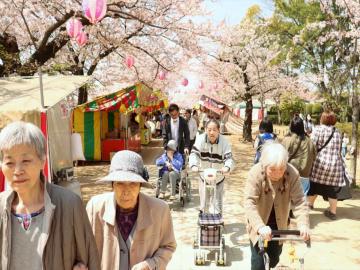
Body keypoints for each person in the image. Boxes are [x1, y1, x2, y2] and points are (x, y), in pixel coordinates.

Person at [0, 121, 100, 270]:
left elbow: (89, 259)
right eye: (10, 163)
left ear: (42, 161)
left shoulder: (70, 205)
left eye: (26, 161)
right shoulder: (2, 207)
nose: (17, 171)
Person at [86, 150, 176, 270]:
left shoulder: (160, 210)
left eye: (133, 183)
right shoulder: (95, 208)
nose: (126, 191)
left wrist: (151, 264)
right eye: (120, 183)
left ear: (140, 186)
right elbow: (82, 249)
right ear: (112, 185)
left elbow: (168, 246)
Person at [244, 142, 310, 270]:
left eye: (281, 169)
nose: (277, 173)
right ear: (265, 165)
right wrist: (260, 227)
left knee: (273, 259)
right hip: (259, 225)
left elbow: (300, 201)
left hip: (280, 226)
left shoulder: (292, 173)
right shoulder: (256, 173)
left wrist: (303, 224)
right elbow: (249, 202)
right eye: (272, 169)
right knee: (259, 264)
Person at [189, 119, 235, 214]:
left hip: (218, 177)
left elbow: (229, 158)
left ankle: (218, 223)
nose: (211, 132)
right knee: (204, 202)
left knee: (217, 203)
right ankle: (203, 222)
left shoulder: (224, 142)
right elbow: (194, 153)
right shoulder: (201, 139)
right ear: (205, 130)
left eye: (214, 130)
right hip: (203, 176)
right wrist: (194, 165)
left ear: (219, 130)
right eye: (209, 129)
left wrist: (227, 167)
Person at [308, 110, 345, 220]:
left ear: (322, 119)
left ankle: (309, 205)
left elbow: (311, 146)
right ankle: (333, 212)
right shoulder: (337, 132)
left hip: (320, 164)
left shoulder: (318, 130)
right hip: (335, 165)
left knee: (313, 185)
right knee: (331, 190)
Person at [282, 115, 317, 195]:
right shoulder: (310, 142)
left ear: (291, 127)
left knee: (287, 198)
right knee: (301, 200)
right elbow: (314, 157)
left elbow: (281, 158)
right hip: (305, 175)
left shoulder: (287, 140)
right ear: (302, 126)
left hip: (289, 173)